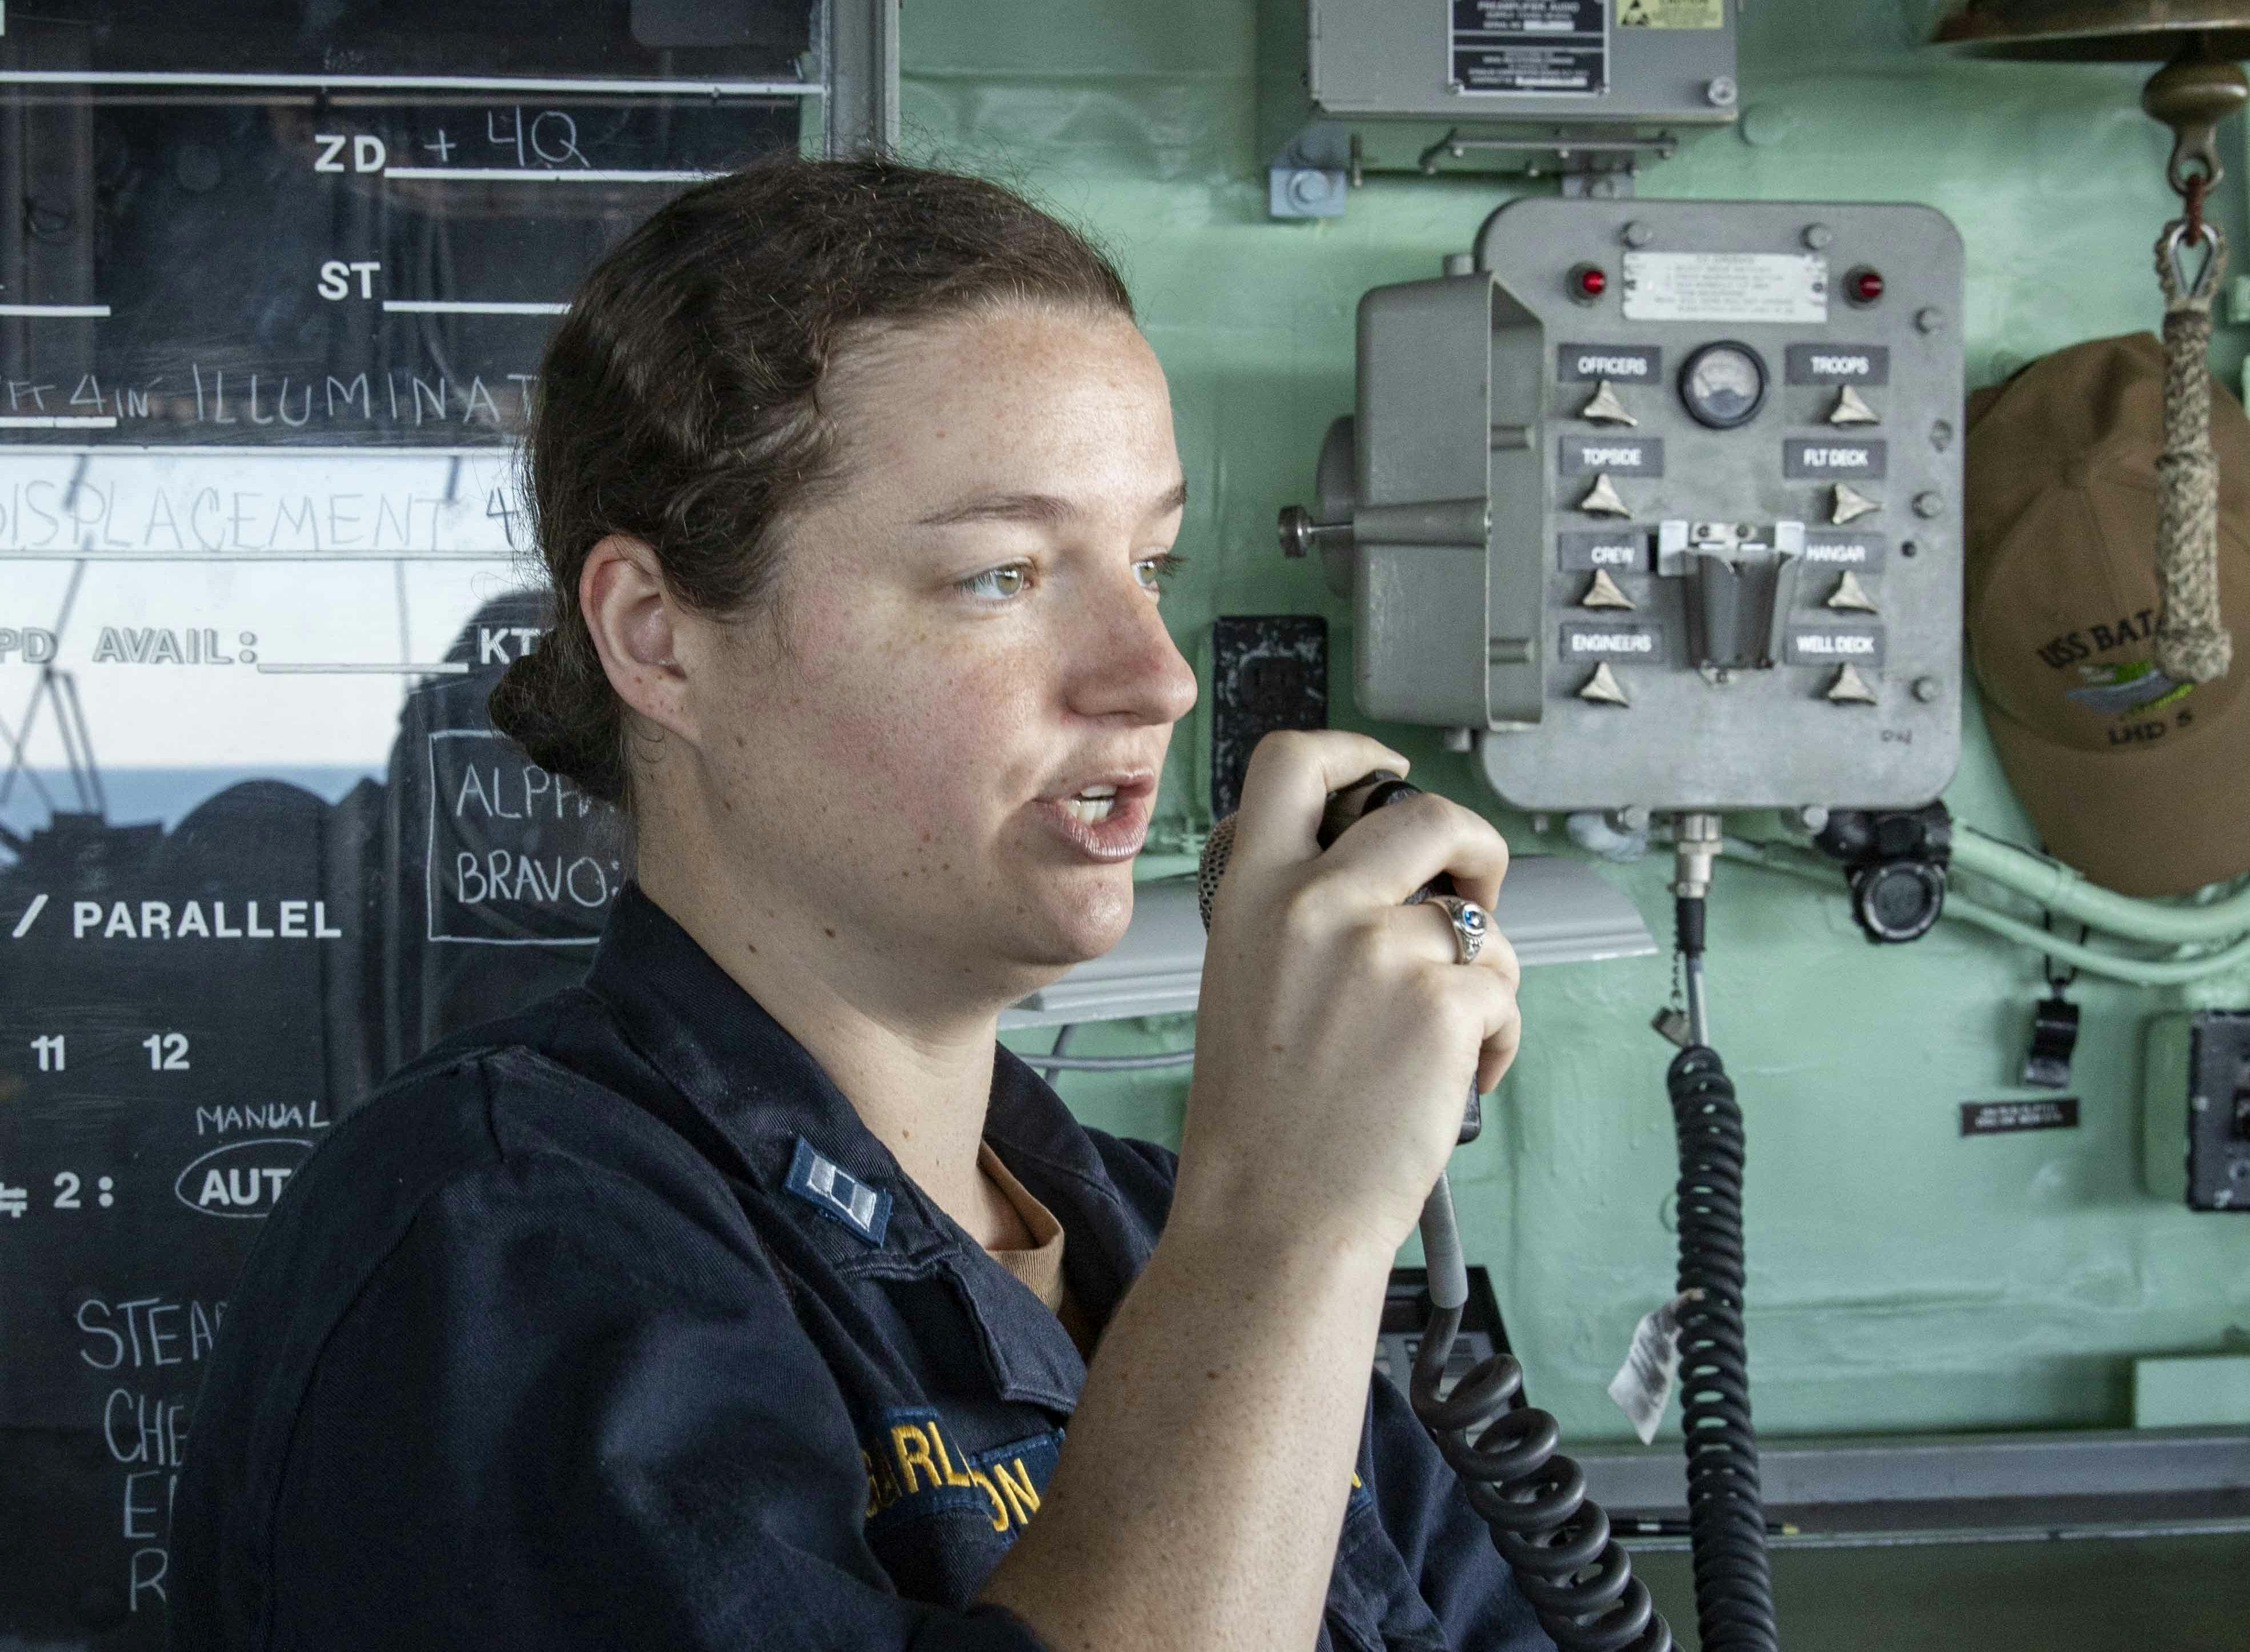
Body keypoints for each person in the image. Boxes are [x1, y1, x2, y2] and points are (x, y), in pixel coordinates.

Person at [168, 156, 1540, 1652]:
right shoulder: (509, 1245)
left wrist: (1267, 1231)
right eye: (1001, 575)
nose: (1155, 675)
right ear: (659, 636)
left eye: (1146, 562)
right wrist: (1285, 1228)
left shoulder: (1151, 1229)